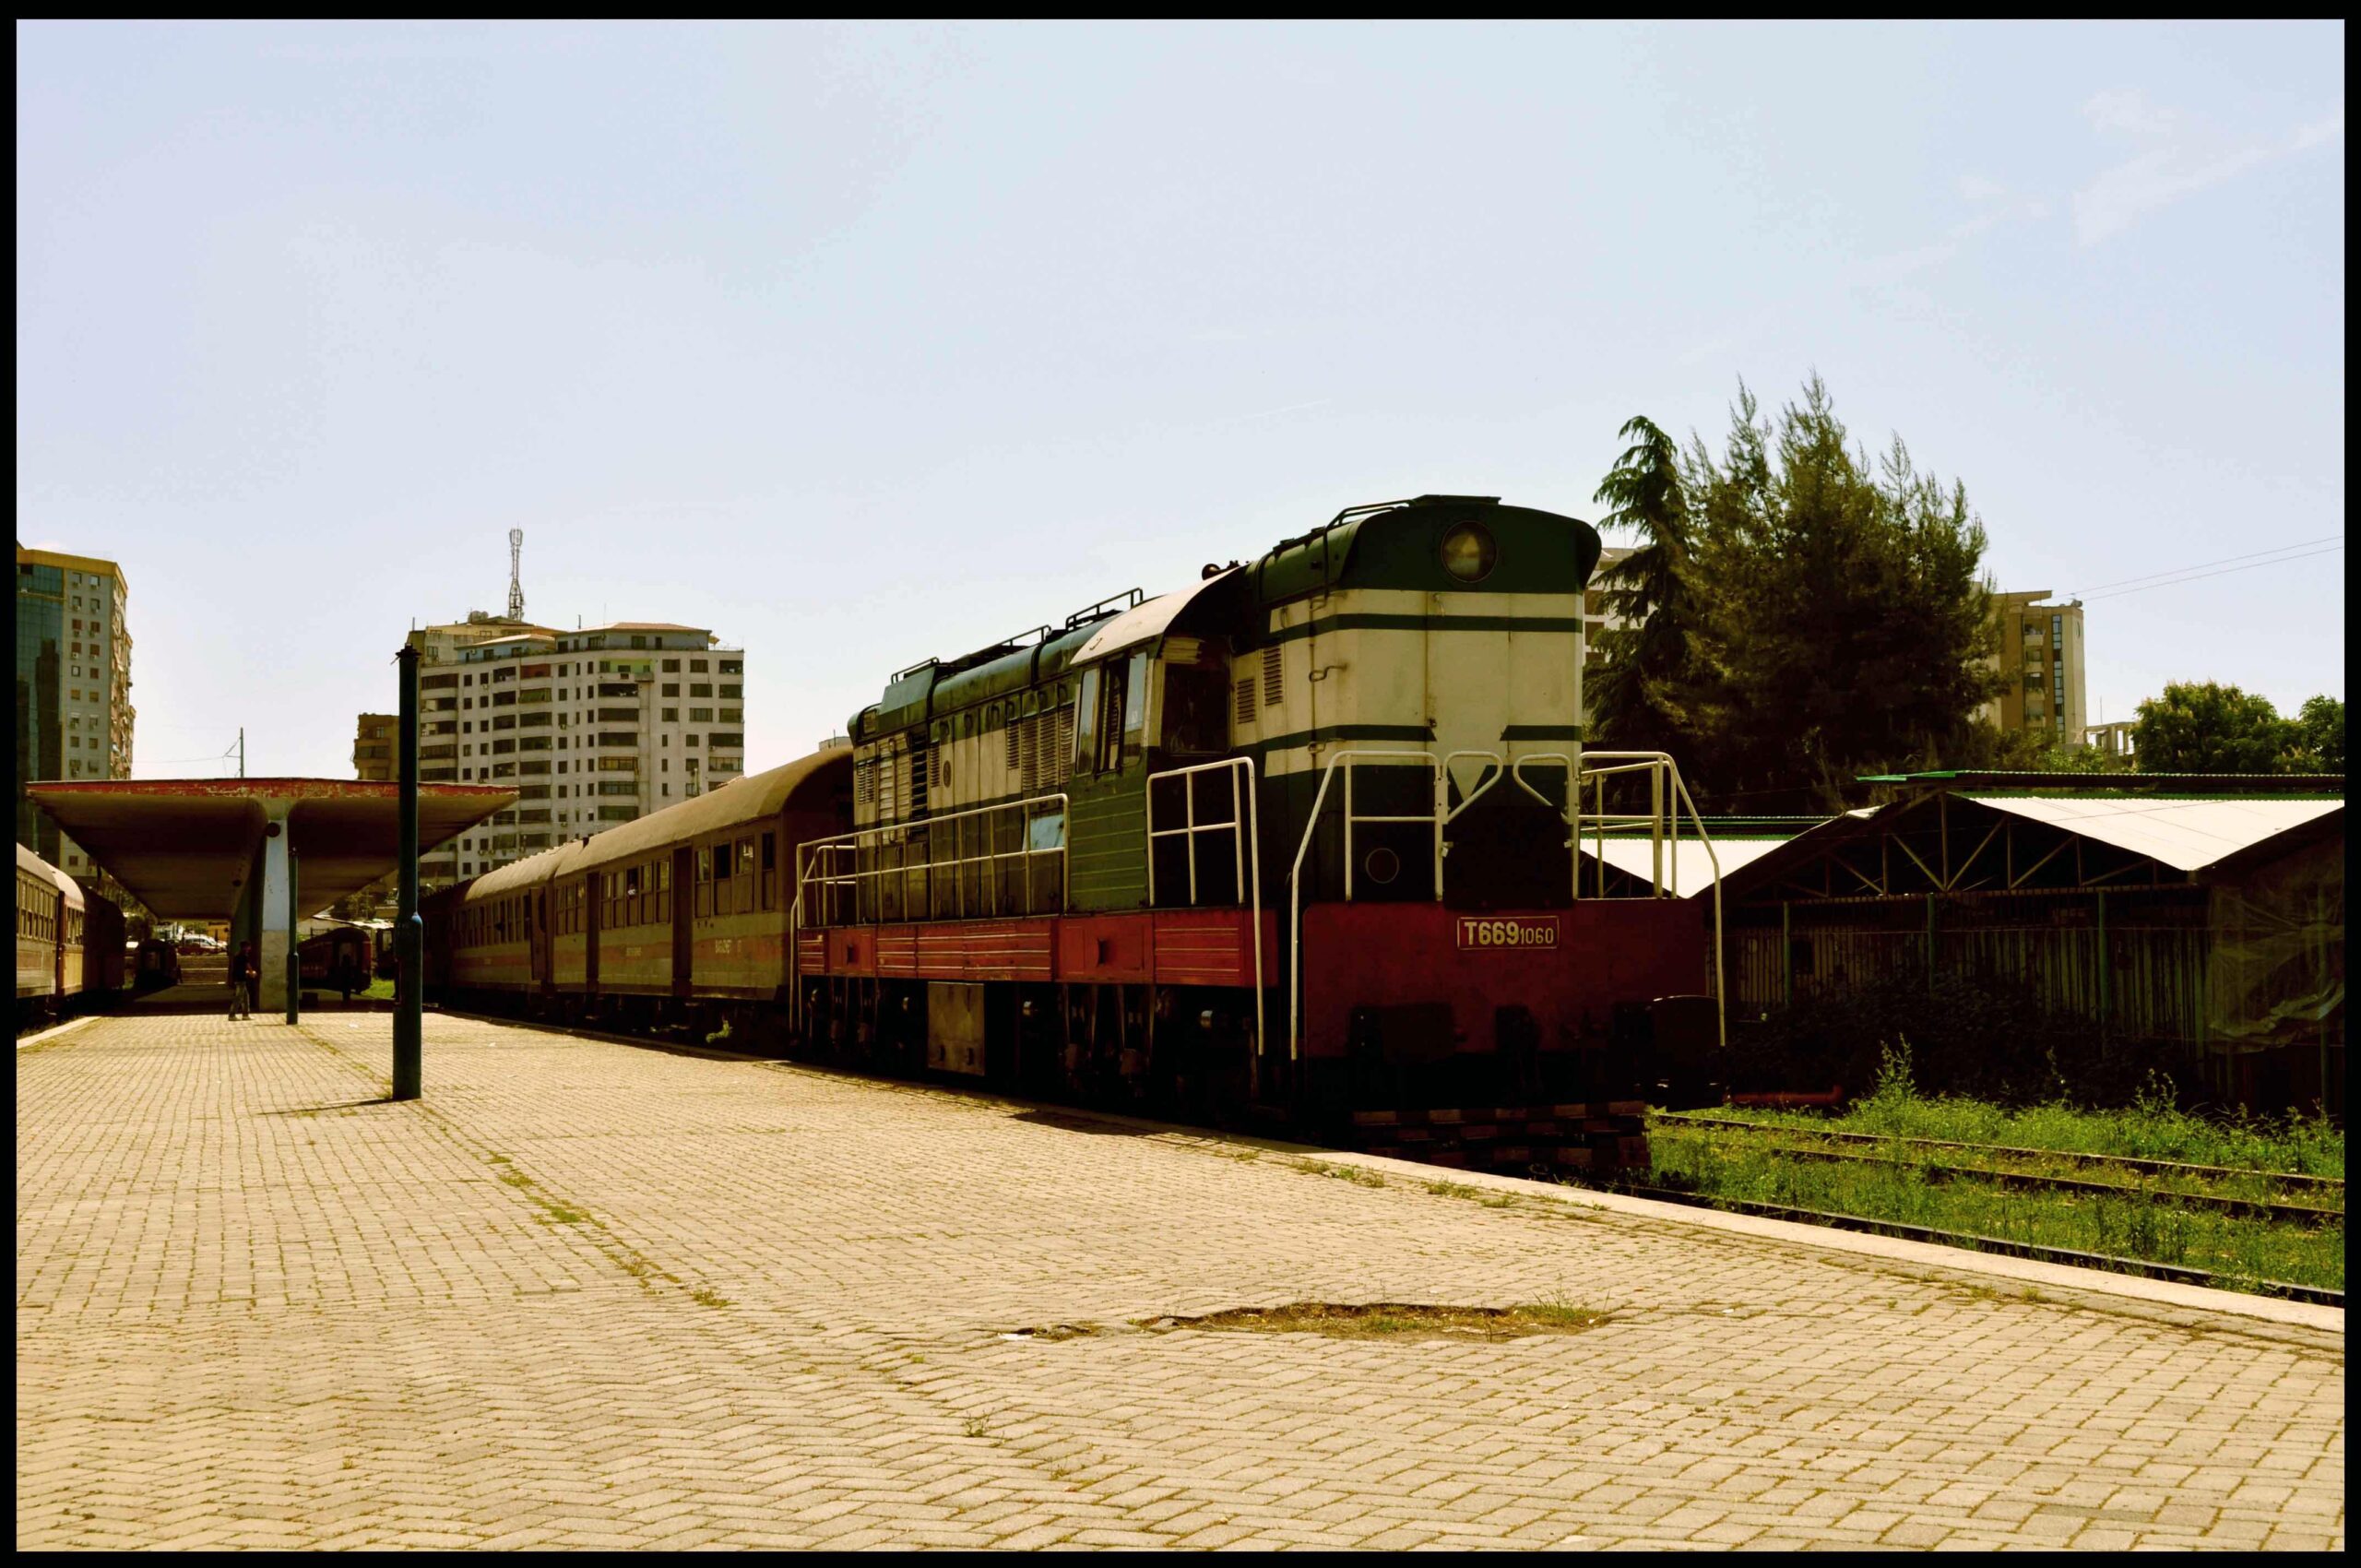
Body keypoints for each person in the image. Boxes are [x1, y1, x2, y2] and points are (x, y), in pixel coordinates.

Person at [228, 942, 255, 1020]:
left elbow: (240, 968)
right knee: (238, 997)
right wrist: (251, 973)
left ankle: (245, 1015)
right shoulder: (243, 956)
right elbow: (248, 966)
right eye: (248, 947)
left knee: (245, 997)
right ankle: (232, 1015)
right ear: (245, 947)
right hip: (241, 979)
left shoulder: (237, 955)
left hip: (239, 978)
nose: (249, 948)